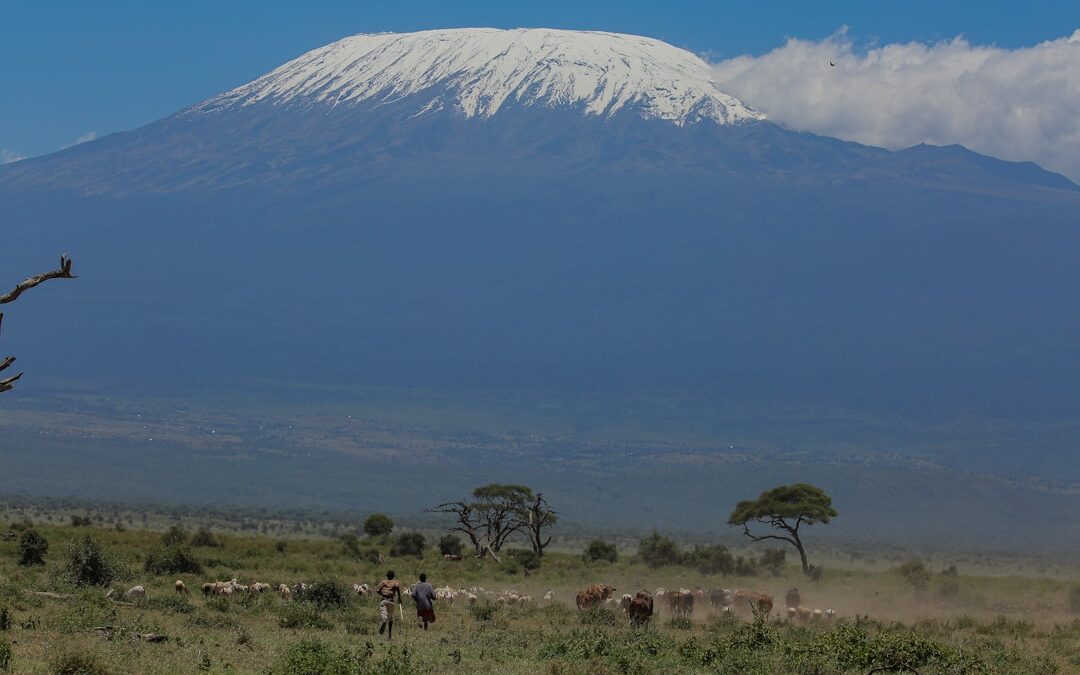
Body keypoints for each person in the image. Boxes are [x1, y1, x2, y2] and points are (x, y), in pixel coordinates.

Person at [376, 570, 402, 639]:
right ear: (393, 576)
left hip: (384, 600)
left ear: (387, 576)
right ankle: (390, 635)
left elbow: (378, 591)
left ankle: (384, 622)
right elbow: (398, 588)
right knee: (390, 619)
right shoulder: (395, 582)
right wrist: (399, 597)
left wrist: (384, 595)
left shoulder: (383, 582)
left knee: (384, 616)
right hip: (391, 601)